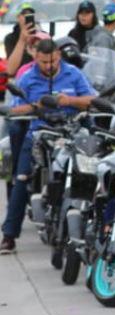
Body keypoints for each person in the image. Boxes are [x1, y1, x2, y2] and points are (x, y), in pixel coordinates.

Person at [1, 36, 98, 253]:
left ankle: (94, 229)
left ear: (58, 57)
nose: (48, 66)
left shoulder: (73, 73)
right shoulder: (27, 78)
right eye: (43, 62)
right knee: (21, 178)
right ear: (36, 58)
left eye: (52, 61)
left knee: (93, 172)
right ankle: (9, 236)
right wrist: (37, 106)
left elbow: (92, 99)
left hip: (71, 134)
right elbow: (14, 109)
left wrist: (69, 101)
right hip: (39, 134)